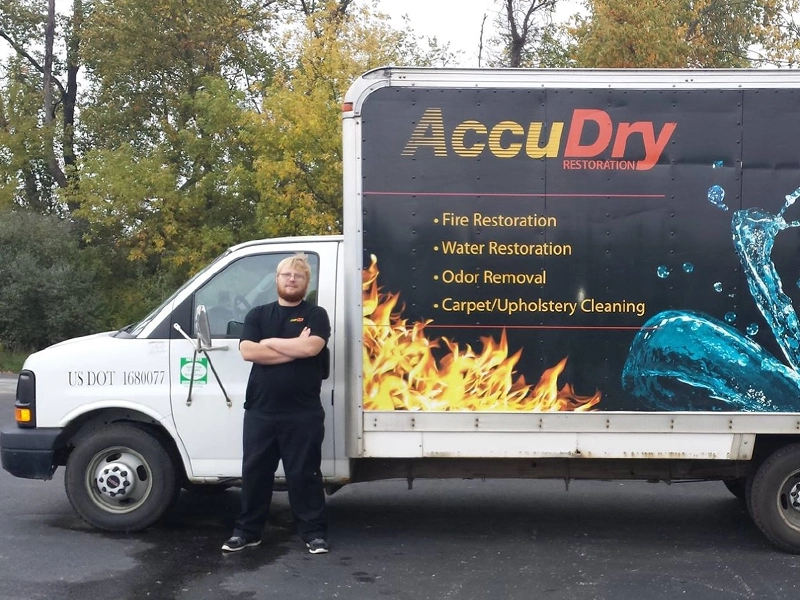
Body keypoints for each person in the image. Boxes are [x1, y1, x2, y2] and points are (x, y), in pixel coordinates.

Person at [222, 254, 331, 555]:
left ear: (306, 283)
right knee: (255, 473)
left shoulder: (316, 314)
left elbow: (312, 347)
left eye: (298, 275)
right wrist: (294, 348)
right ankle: (247, 532)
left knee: (304, 474)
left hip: (303, 412)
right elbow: (247, 352)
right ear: (277, 279)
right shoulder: (258, 314)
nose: (292, 279)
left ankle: (313, 533)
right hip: (261, 410)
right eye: (287, 274)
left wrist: (268, 343)